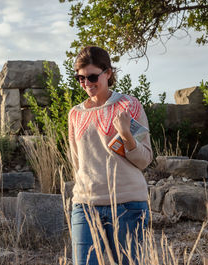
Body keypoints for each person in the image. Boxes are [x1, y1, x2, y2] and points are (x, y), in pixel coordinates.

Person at [68, 46, 153, 265]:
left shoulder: (129, 105)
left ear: (108, 73)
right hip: (85, 206)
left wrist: (126, 134)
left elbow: (144, 160)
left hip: (128, 205)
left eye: (92, 77)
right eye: (80, 78)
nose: (86, 84)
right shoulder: (75, 114)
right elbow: (77, 162)